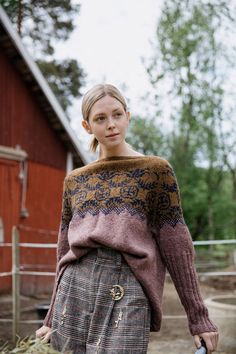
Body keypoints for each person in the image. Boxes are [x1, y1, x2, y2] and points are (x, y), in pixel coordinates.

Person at [36, 84, 219, 353]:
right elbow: (64, 250)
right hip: (74, 289)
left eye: (117, 114)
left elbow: (176, 244)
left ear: (128, 116)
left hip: (128, 286)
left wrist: (198, 318)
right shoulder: (75, 181)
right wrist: (51, 317)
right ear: (87, 126)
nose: (111, 124)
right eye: (100, 118)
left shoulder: (155, 171)